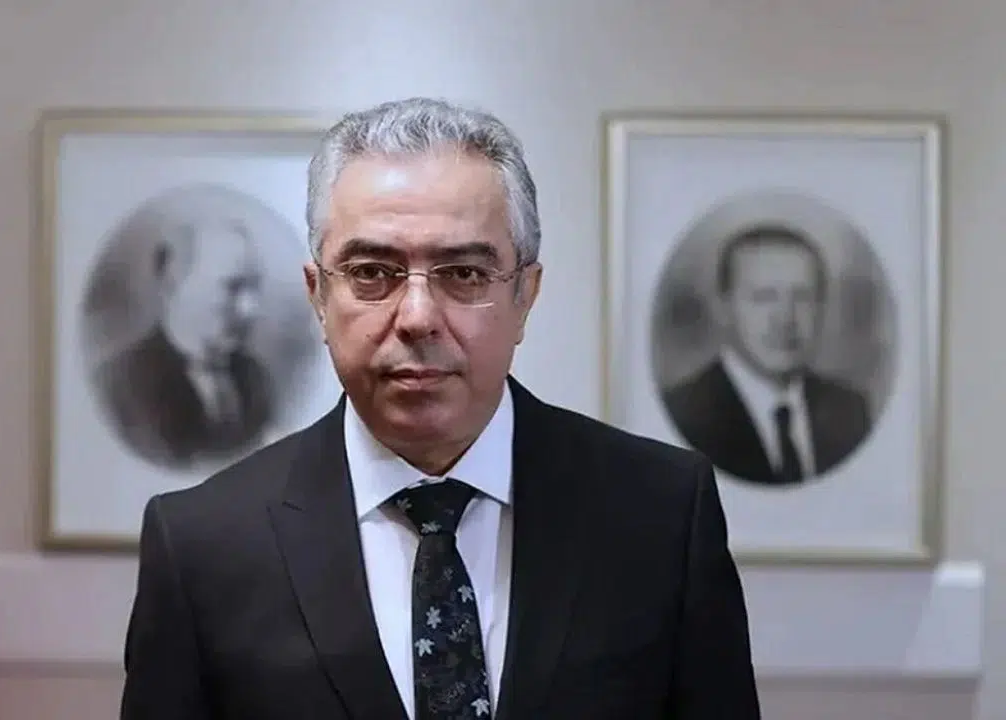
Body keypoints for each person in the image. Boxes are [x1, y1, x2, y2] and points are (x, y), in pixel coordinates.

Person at [119, 97, 760, 719]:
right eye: (372, 273)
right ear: (318, 297)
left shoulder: (661, 513)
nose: (418, 317)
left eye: (464, 274)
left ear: (525, 296)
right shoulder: (203, 545)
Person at [660, 224, 872, 485]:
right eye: (764, 297)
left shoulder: (850, 411)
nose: (785, 318)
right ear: (723, 307)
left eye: (802, 297)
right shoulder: (689, 414)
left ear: (821, 306)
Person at [84, 185, 275, 466]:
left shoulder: (257, 381)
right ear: (174, 283)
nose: (250, 309)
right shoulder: (123, 385)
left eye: (253, 287)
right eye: (232, 287)